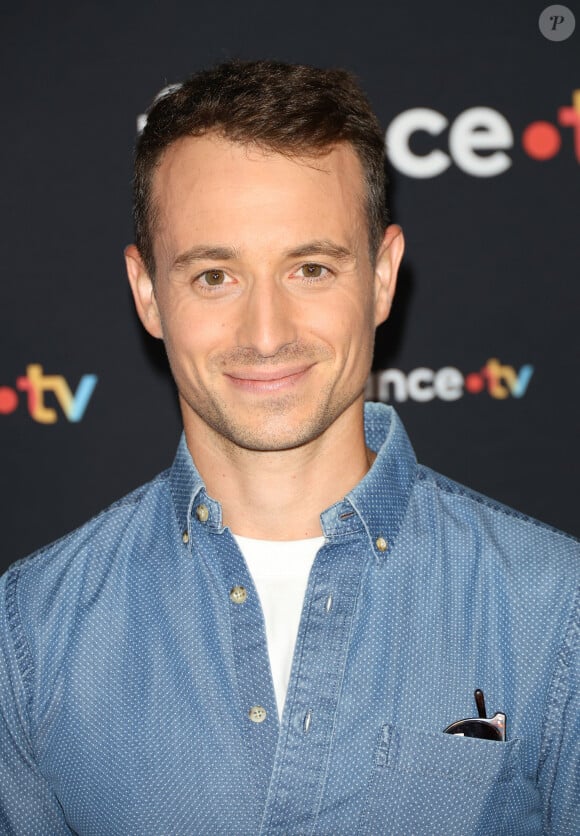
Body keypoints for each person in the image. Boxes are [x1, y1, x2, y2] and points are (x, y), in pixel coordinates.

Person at [0, 60, 578, 835]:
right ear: (147, 293)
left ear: (381, 276)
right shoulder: (29, 632)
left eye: (310, 268)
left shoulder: (555, 611)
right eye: (214, 276)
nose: (266, 334)